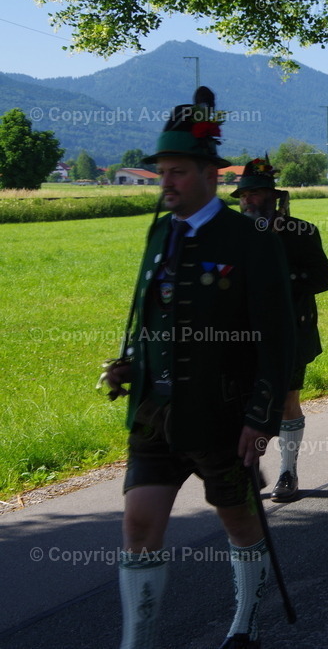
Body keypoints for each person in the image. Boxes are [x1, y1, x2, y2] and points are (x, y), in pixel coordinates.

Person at [99, 87, 295, 649]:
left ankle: (244, 625)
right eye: (162, 171)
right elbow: (151, 312)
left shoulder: (249, 237)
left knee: (239, 524)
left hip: (222, 416)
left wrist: (261, 418)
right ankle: (137, 642)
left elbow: (275, 338)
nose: (166, 182)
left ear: (211, 174)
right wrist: (130, 364)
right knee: (138, 527)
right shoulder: (159, 231)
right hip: (155, 413)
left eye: (178, 171)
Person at [236, 158, 328, 503]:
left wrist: (284, 277)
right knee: (245, 402)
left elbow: (324, 278)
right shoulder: (234, 235)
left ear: (273, 196)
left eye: (257, 193)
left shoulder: (301, 232)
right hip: (243, 336)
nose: (249, 201)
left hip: (292, 330)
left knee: (288, 400)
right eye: (245, 194)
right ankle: (250, 465)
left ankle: (288, 472)